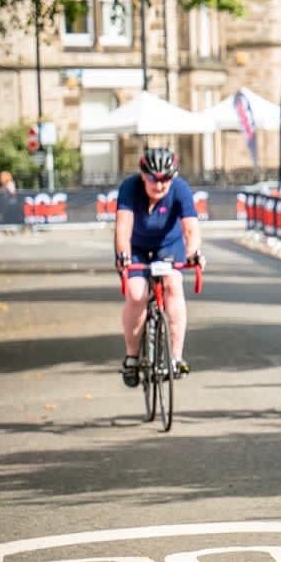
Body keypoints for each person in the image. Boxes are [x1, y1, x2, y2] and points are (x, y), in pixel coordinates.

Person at [114, 147, 202, 385]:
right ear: (143, 175)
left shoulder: (181, 189)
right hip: (138, 246)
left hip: (168, 245)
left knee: (173, 285)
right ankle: (132, 358)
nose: (160, 185)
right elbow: (123, 227)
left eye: (166, 179)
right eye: (154, 179)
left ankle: (175, 357)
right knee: (136, 293)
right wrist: (124, 256)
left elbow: (191, 227)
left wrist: (194, 253)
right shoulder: (130, 189)